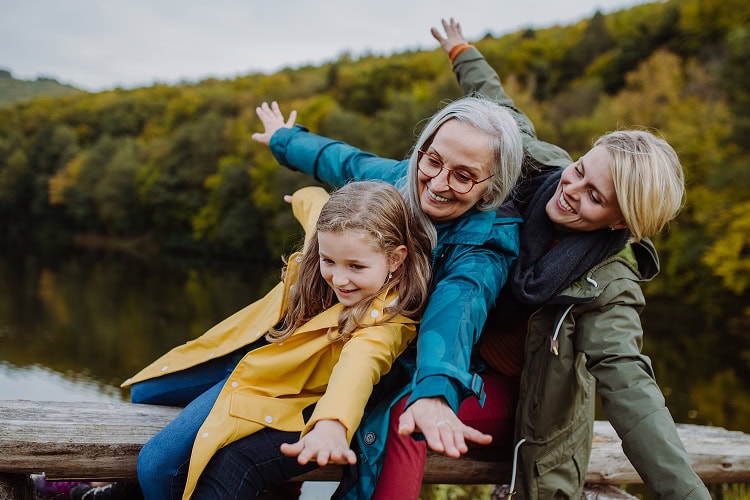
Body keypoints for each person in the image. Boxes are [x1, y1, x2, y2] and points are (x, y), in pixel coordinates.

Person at [371, 18, 711, 499]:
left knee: (406, 416)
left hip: (523, 398)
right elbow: (497, 104)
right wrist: (461, 50)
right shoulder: (536, 168)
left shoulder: (609, 285)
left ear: (619, 223)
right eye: (579, 172)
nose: (570, 191)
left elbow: (633, 395)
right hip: (458, 356)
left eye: (594, 196)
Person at [250, 94, 525, 497]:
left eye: (464, 176)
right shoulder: (399, 182)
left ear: (490, 188)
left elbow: (456, 311)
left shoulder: (485, 245)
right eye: (433, 161)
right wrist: (284, 139)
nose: (438, 183)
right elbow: (343, 161)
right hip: (381, 355)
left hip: (437, 370)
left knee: (394, 422)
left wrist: (435, 391)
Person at [118, 180, 433, 499]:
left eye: (356, 266)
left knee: (159, 465)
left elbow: (359, 367)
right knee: (144, 392)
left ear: (395, 259)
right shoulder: (333, 237)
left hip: (276, 385)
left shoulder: (388, 320)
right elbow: (313, 205)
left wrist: (333, 423)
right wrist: (300, 195)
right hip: (254, 354)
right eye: (329, 261)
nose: (339, 278)